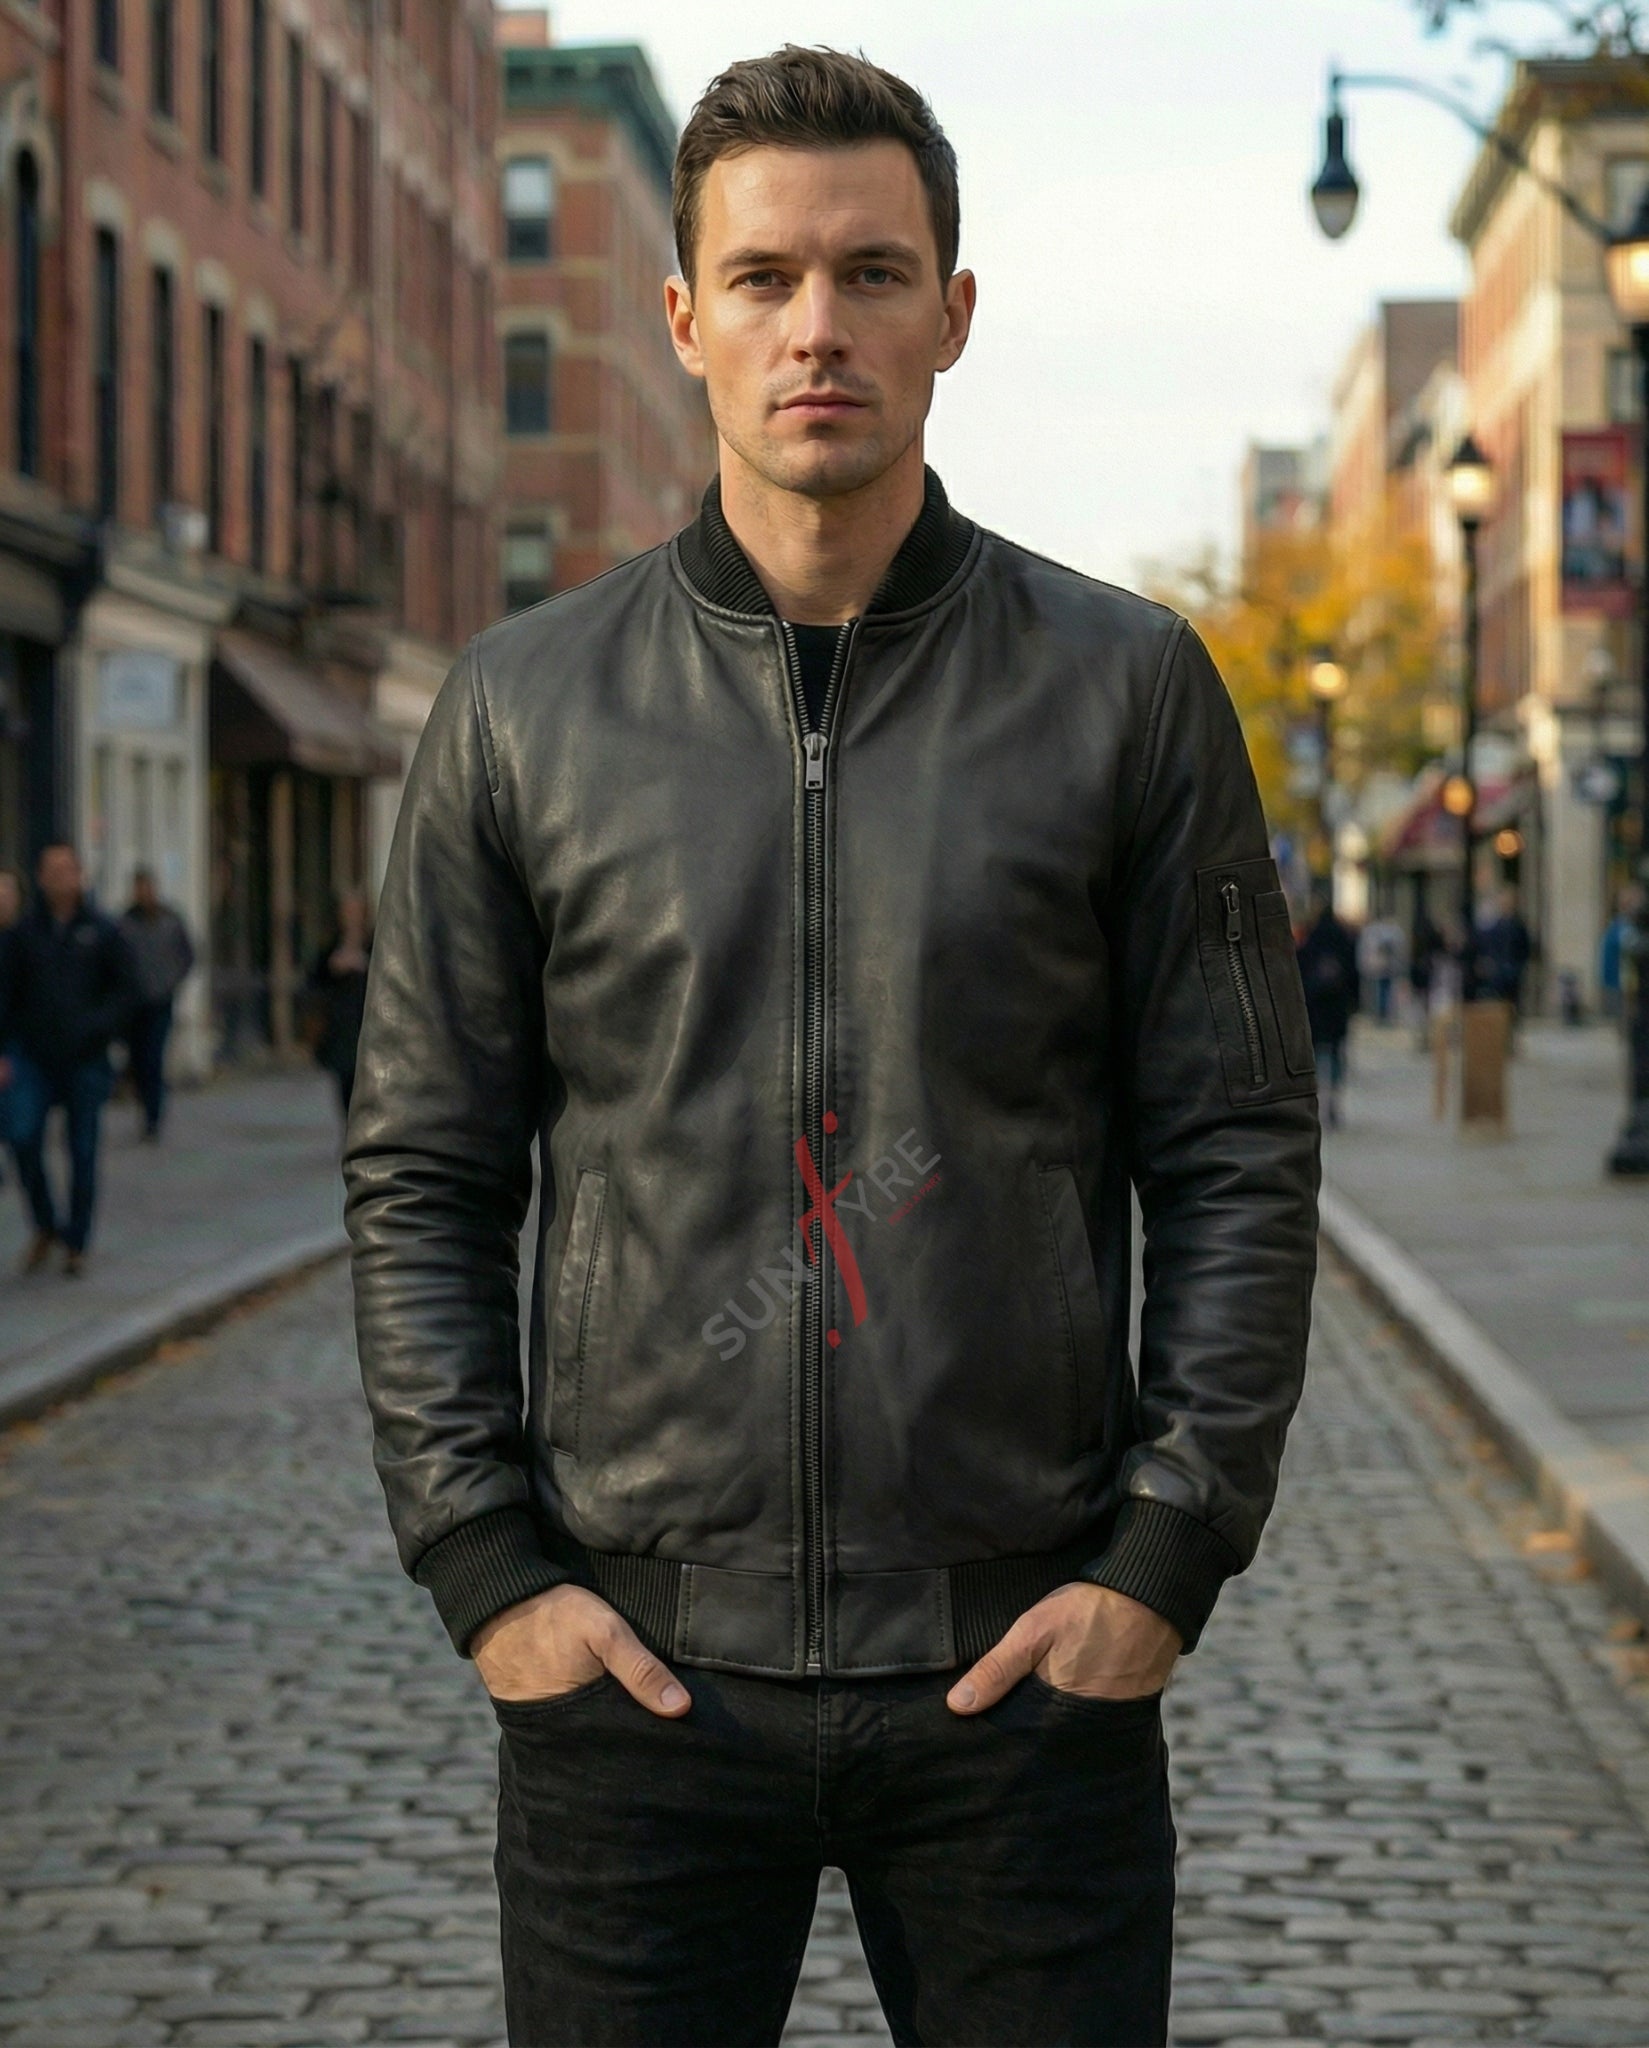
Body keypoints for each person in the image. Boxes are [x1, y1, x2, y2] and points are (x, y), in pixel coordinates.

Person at [344, 47, 1321, 2048]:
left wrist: (1161, 1551)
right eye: (764, 277)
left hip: (1015, 1684)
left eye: (870, 273)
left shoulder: (1126, 689)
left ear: (949, 313)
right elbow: (423, 1166)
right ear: (681, 317)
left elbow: (1236, 1144)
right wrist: (486, 1566)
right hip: (634, 1690)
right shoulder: (519, 708)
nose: (817, 327)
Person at [0, 843, 140, 1276]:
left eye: (67, 870)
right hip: (33, 1056)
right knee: (22, 1136)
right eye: (51, 870)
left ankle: (77, 1240)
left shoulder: (102, 931)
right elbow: (6, 994)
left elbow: (126, 991)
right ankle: (45, 1222)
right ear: (40, 877)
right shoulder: (24, 934)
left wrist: (99, 1029)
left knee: (83, 1148)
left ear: (80, 875)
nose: (60, 878)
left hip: (86, 1058)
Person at [117, 865, 196, 1140]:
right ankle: (145, 1104)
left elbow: (187, 955)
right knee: (138, 1060)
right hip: (133, 1004)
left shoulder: (170, 920)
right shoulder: (125, 923)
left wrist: (170, 982)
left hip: (161, 1002)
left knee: (154, 1057)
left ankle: (153, 1116)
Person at [304, 888, 372, 1122]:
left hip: (366, 1022)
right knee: (345, 1086)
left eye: (355, 911)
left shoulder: (373, 943)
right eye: (347, 911)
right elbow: (315, 979)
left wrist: (363, 965)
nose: (351, 917)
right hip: (340, 1029)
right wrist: (334, 967)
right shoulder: (331, 945)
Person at [1297, 892, 1361, 1129]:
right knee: (1334, 1055)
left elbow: (1299, 972)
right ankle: (1333, 1101)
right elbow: (1354, 974)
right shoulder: (1343, 940)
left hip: (1314, 1007)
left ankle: (1312, 1102)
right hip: (1337, 1007)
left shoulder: (1310, 940)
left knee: (1313, 1055)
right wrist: (1354, 1003)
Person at [1357, 909, 1407, 1026]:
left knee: (1386, 992)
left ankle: (1384, 1014)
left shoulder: (1391, 931)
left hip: (1386, 968)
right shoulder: (1374, 931)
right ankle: (1379, 1014)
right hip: (1377, 968)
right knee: (1377, 992)